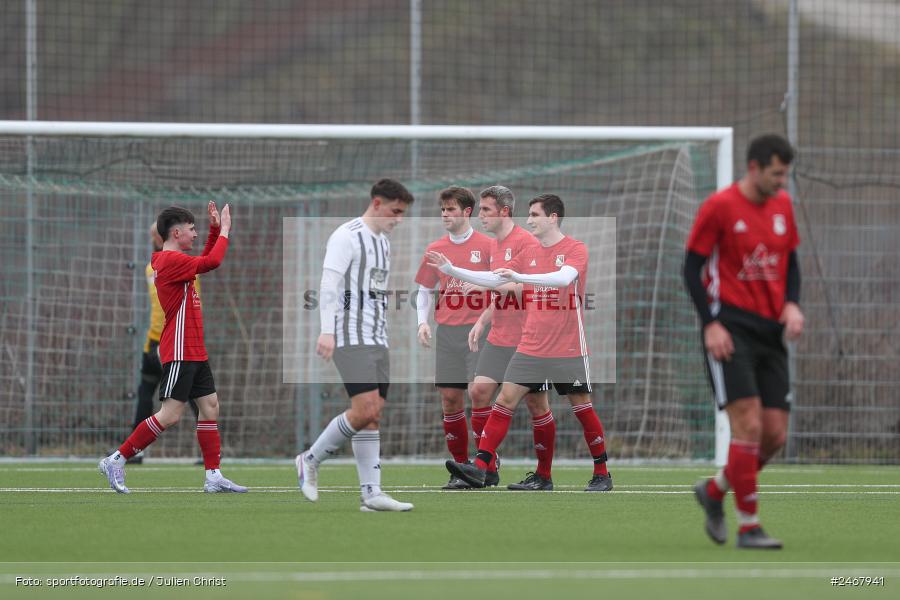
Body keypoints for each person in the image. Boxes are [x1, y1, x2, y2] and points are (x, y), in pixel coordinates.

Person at [429, 194, 613, 492]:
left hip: (567, 346)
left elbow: (564, 279)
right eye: (528, 215)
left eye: (535, 215)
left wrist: (520, 276)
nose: (529, 220)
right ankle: (480, 467)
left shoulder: (575, 249)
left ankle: (602, 472)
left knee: (581, 407)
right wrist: (452, 270)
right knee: (503, 401)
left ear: (553, 218)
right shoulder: (528, 253)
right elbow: (495, 279)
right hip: (531, 345)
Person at [684, 133, 803, 550]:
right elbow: (691, 268)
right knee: (749, 423)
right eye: (776, 174)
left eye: (785, 174)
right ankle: (749, 527)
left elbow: (791, 263)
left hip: (770, 332)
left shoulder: (783, 206)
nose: (782, 182)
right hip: (729, 330)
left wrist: (792, 304)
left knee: (774, 436)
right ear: (754, 168)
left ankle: (715, 491)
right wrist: (710, 324)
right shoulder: (719, 207)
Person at [98, 202, 246, 494]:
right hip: (179, 349)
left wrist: (216, 229)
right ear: (176, 233)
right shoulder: (168, 260)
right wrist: (225, 231)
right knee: (170, 415)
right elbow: (212, 262)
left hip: (194, 347)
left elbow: (204, 258)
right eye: (192, 230)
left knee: (210, 407)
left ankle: (213, 475)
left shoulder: (177, 260)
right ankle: (117, 459)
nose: (195, 234)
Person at [296, 178, 416, 512]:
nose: (398, 219)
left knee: (373, 415)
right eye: (395, 211)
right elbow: (329, 283)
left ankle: (371, 494)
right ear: (377, 203)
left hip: (377, 337)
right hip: (349, 337)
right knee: (364, 409)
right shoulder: (346, 236)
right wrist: (327, 331)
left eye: (403, 213)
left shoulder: (384, 243)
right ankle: (309, 460)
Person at [465, 186, 556, 491]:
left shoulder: (527, 243)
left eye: (486, 210)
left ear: (504, 211)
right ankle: (487, 467)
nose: (480, 216)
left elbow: (525, 288)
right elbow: (501, 291)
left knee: (537, 406)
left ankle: (544, 475)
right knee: (478, 392)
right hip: (500, 336)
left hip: (528, 339)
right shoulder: (494, 246)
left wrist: (484, 287)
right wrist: (481, 321)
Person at [413, 186, 495, 489]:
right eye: (443, 209)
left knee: (479, 393)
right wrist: (422, 322)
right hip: (447, 331)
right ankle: (461, 469)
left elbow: (503, 283)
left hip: (480, 330)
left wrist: (483, 298)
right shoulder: (435, 249)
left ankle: (486, 462)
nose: (445, 214)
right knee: (450, 399)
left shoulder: (488, 245)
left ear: (467, 212)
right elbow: (424, 290)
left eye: (451, 209)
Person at [128, 222, 200, 465]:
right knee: (192, 395)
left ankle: (136, 450)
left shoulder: (153, 267)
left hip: (157, 341)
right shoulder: (180, 266)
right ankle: (207, 450)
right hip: (168, 342)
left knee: (147, 394)